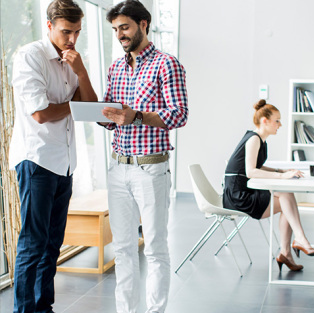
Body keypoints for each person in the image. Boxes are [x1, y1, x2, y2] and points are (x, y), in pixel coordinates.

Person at [8, 0, 97, 311]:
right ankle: (24, 309)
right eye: (65, 32)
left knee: (52, 244)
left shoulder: (71, 62)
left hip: (65, 162)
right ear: (49, 26)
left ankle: (43, 307)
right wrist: (75, 105)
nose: (71, 39)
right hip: (37, 161)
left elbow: (90, 108)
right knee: (33, 243)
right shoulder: (30, 56)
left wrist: (81, 71)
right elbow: (42, 114)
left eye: (77, 32)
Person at [100, 0, 188, 312]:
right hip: (118, 168)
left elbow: (178, 115)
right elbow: (114, 116)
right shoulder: (115, 67)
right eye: (115, 29)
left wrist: (136, 116)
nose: (120, 34)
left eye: (125, 27)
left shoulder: (167, 64)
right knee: (122, 249)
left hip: (151, 169)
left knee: (154, 249)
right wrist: (103, 115)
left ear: (144, 24)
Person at [223, 99, 314, 272]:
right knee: (285, 195)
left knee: (286, 199)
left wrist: (281, 170)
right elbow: (251, 172)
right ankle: (297, 242)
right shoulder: (253, 139)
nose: (280, 124)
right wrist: (282, 176)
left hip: (245, 190)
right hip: (238, 196)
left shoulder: (260, 140)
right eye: (277, 120)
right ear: (265, 121)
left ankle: (287, 251)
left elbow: (257, 167)